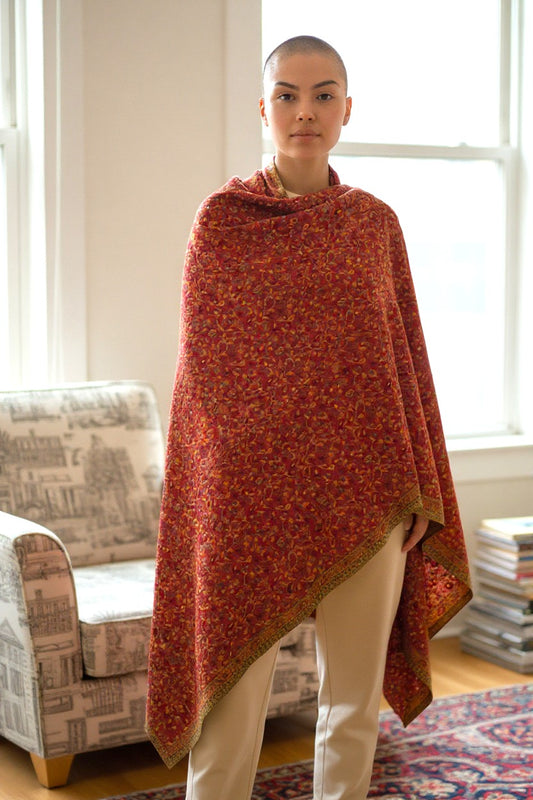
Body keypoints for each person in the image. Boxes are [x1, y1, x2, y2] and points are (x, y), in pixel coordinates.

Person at [146, 35, 472, 800]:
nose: (305, 111)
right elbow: (209, 381)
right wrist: (227, 494)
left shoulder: (374, 226)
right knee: (228, 716)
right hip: (248, 503)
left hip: (365, 494)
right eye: (288, 95)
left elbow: (403, 366)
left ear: (346, 110)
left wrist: (417, 485)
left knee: (350, 709)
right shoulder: (221, 222)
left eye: (323, 94)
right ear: (263, 109)